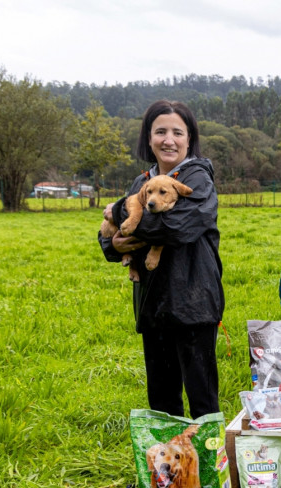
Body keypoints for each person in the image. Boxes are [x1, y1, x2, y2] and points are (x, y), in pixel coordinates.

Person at [99, 100, 224, 419]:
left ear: (189, 138)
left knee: (202, 399)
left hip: (194, 300)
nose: (169, 139)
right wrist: (114, 240)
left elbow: (178, 227)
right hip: (152, 302)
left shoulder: (198, 180)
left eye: (177, 132)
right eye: (160, 131)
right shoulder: (142, 182)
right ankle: (169, 468)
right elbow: (109, 240)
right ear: (149, 138)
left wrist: (117, 211)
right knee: (162, 400)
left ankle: (208, 466)